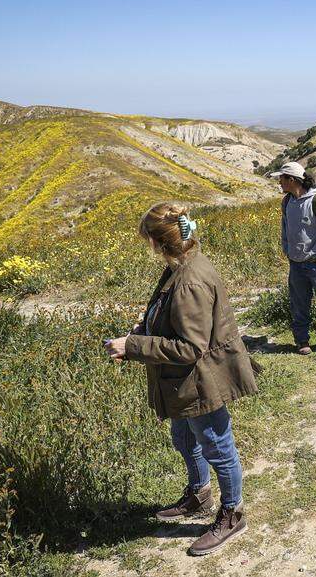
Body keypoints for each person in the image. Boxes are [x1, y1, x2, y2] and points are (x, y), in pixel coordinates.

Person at [103, 203, 258, 557]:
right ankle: (200, 494)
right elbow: (169, 318)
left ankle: (232, 514)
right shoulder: (181, 266)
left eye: (148, 240)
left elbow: (191, 347)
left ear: (160, 242)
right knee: (185, 437)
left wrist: (136, 345)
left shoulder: (189, 280)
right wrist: (141, 333)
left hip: (202, 380)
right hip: (185, 382)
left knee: (218, 446)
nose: (148, 247)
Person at [270, 161, 316, 357]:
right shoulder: (287, 202)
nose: (279, 182)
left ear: (292, 180)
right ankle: (302, 340)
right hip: (296, 264)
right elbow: (285, 228)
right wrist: (288, 250)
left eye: (282, 179)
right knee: (298, 304)